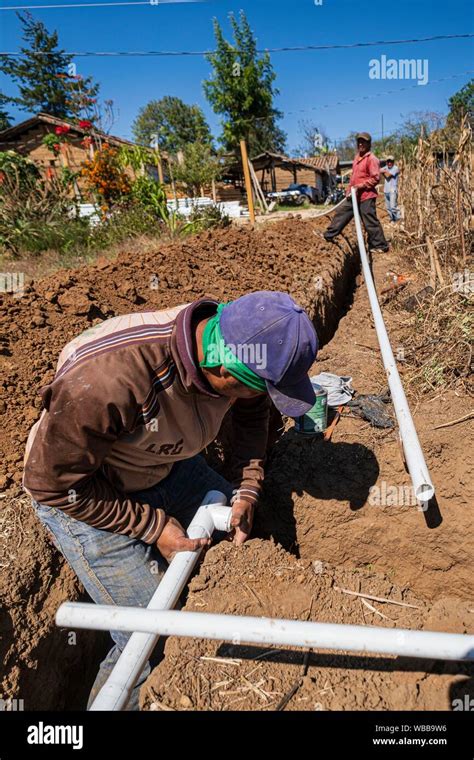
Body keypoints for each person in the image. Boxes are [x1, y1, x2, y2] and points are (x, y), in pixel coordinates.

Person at [22, 290, 318, 709]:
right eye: (258, 389)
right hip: (85, 490)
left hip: (163, 461)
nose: (257, 399)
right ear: (221, 369)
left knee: (249, 534)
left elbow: (254, 415)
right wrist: (152, 525)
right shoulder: (107, 381)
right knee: (150, 638)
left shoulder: (235, 344)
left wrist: (247, 487)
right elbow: (51, 484)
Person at [324, 132, 389, 253]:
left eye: (363, 142)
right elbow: (353, 177)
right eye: (359, 142)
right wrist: (349, 189)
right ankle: (329, 234)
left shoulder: (372, 159)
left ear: (369, 144)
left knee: (369, 220)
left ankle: (380, 245)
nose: (360, 144)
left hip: (366, 196)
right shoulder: (356, 158)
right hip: (354, 195)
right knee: (342, 212)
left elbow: (375, 178)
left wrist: (360, 186)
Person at [381, 155, 401, 222]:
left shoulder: (395, 168)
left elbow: (388, 175)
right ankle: (393, 220)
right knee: (388, 208)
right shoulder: (386, 168)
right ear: (386, 162)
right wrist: (383, 171)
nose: (389, 163)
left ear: (393, 162)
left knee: (393, 207)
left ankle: (398, 219)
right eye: (388, 161)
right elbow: (378, 170)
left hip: (393, 190)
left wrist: (383, 172)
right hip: (386, 190)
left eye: (391, 161)